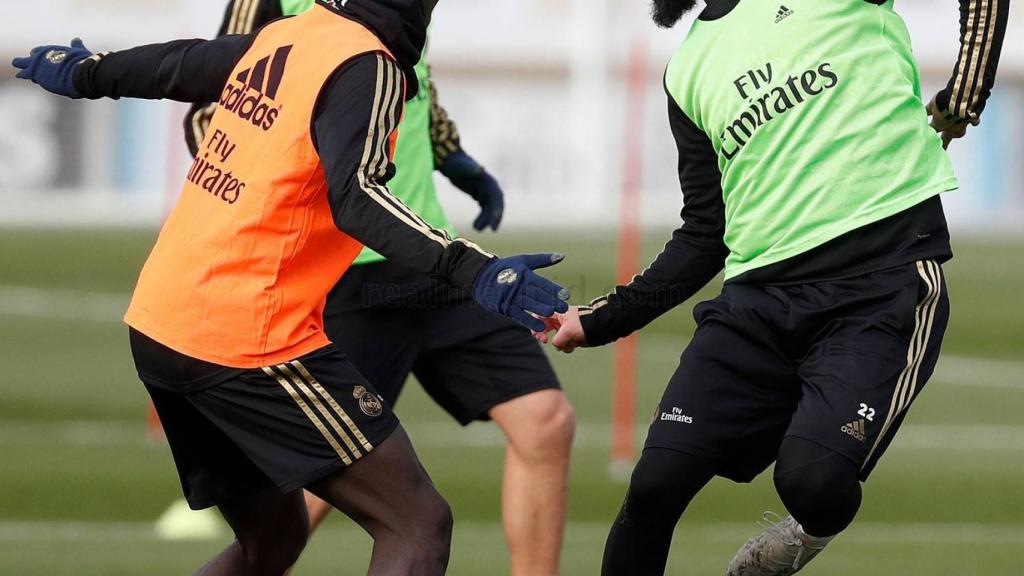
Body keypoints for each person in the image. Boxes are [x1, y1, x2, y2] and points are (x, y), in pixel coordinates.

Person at [12, 1, 570, 574]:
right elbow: (355, 198)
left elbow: (181, 64)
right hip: (244, 333)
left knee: (273, 544)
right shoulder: (368, 62)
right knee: (417, 523)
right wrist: (476, 270)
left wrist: (86, 72)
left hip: (164, 322)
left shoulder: (298, 34)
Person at [541, 0, 1008, 574]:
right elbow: (705, 233)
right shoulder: (686, 72)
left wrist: (967, 91)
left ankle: (791, 547)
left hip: (880, 284)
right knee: (655, 485)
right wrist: (602, 319)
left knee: (812, 482)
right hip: (755, 304)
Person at [184, 2, 574, 575]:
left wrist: (454, 156)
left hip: (432, 259)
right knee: (307, 502)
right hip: (339, 273)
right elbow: (213, 108)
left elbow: (410, 82)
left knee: (546, 421)